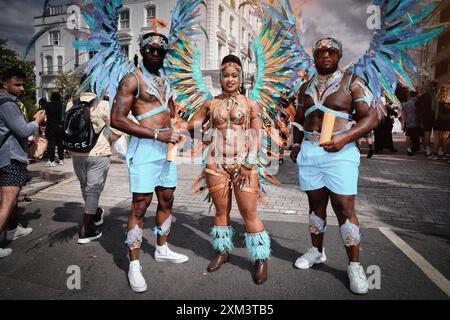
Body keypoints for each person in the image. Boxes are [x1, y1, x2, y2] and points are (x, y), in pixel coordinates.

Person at [290, 38, 378, 295]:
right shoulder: (305, 86)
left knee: (344, 208)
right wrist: (296, 146)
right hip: (310, 152)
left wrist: (345, 137)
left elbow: (372, 117)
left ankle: (354, 265)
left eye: (330, 51)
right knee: (315, 206)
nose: (325, 55)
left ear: (339, 54)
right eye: (320, 52)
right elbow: (298, 120)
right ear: (314, 56)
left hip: (340, 154)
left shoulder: (353, 82)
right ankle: (317, 252)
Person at [179, 55, 271, 285]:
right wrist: (198, 130)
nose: (230, 79)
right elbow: (192, 127)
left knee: (249, 213)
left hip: (244, 165)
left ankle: (260, 258)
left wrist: (250, 161)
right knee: (221, 212)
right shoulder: (211, 103)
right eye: (226, 75)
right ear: (220, 78)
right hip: (216, 163)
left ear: (241, 78)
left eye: (234, 75)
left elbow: (258, 134)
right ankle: (222, 251)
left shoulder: (251, 104)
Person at [111, 32, 188, 293]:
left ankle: (162, 249)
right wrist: (157, 134)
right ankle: (133, 265)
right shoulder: (132, 80)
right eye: (150, 49)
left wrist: (177, 132)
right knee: (140, 207)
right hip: (144, 149)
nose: (155, 53)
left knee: (167, 199)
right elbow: (117, 119)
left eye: (160, 50)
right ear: (142, 50)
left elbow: (171, 114)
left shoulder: (165, 80)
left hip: (167, 150)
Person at [67, 77, 124, 245]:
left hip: (77, 152)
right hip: (98, 153)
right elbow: (117, 127)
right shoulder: (104, 104)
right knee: (93, 191)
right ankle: (86, 229)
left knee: (85, 187)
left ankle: (95, 212)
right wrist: (109, 140)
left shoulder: (71, 104)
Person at [0, 67, 46, 258]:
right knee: (7, 202)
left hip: (6, 156)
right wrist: (36, 121)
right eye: (16, 84)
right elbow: (23, 130)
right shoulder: (8, 103)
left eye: (23, 85)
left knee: (11, 200)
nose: (21, 88)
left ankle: (12, 228)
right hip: (10, 157)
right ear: (5, 84)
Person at [416, 81, 439, 157]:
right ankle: (437, 151)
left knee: (427, 134)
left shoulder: (424, 95)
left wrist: (421, 112)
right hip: (437, 117)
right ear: (436, 86)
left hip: (425, 116)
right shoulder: (438, 95)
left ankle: (428, 150)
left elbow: (417, 104)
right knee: (437, 135)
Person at [44, 92, 65, 166]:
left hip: (50, 126)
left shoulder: (47, 105)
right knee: (60, 143)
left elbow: (45, 114)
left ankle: (51, 160)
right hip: (60, 126)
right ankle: (61, 159)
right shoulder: (62, 105)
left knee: (51, 143)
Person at [430, 84, 450, 160]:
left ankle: (435, 154)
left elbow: (432, 109)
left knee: (436, 138)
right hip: (447, 121)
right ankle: (445, 155)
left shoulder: (436, 99)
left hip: (437, 120)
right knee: (445, 138)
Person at [401, 91, 421, 156]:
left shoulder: (406, 103)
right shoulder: (417, 102)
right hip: (417, 122)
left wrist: (404, 123)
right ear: (415, 95)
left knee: (408, 136)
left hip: (409, 122)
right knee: (415, 136)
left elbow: (403, 114)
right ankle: (415, 148)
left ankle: (409, 149)